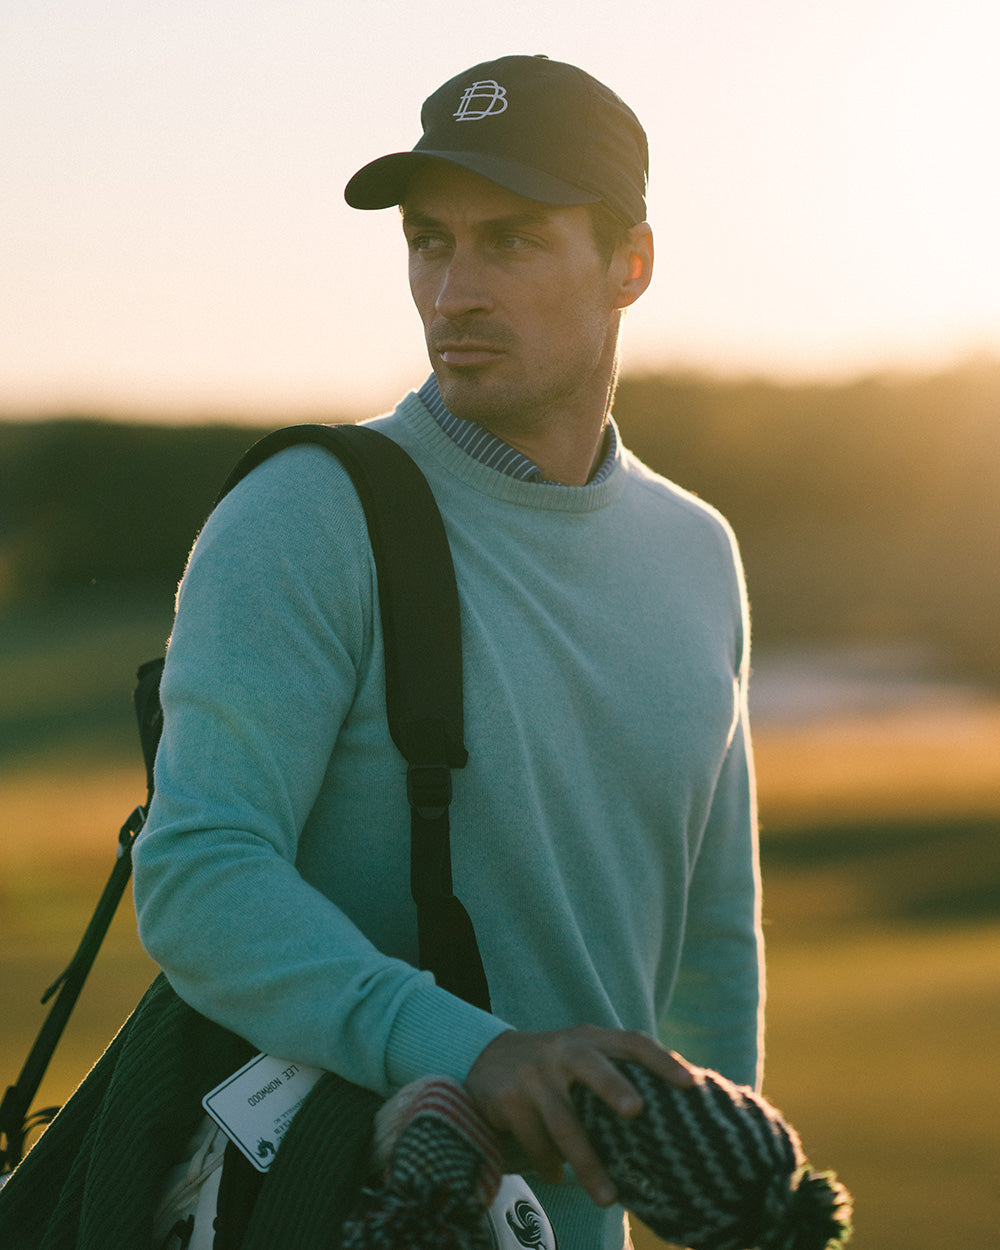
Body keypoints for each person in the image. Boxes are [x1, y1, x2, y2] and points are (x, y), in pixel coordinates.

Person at [132, 54, 764, 1250]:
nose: (453, 290)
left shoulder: (696, 551)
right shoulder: (303, 512)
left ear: (630, 263)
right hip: (338, 1211)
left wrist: (715, 1209)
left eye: (511, 240)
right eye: (430, 240)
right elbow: (200, 869)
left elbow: (710, 937)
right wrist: (471, 1051)